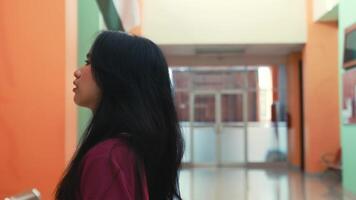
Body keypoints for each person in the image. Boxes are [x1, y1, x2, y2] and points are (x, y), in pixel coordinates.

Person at [55, 31, 184, 200]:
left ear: (117, 78)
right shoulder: (129, 150)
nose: (78, 72)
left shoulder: (107, 158)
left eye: (89, 62)